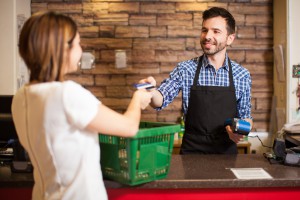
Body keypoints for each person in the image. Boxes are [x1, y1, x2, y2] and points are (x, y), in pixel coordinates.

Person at [11, 11, 152, 200]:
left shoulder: (21, 97)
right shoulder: (66, 94)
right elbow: (129, 127)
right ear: (62, 49)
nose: (80, 49)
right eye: (77, 43)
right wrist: (137, 99)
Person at [140, 7, 253, 154]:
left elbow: (246, 117)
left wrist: (240, 132)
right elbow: (159, 100)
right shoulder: (185, 69)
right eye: (204, 30)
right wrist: (151, 90)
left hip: (226, 154)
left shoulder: (242, 75)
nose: (207, 36)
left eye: (216, 31)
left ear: (230, 38)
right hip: (191, 152)